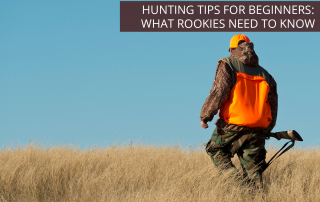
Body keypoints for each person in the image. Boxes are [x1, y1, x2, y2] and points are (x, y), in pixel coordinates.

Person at [200, 34, 278, 186]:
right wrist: (269, 127)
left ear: (231, 49)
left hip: (232, 124)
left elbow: (219, 91)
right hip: (258, 128)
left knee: (215, 150)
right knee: (254, 171)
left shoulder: (227, 64)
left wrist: (205, 116)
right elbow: (273, 103)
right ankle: (258, 196)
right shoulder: (266, 74)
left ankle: (236, 185)